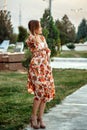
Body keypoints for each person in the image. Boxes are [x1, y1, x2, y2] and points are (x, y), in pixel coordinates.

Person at [26, 20, 55, 129]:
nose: (41, 28)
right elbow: (36, 49)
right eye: (40, 26)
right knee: (39, 92)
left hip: (45, 67)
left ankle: (40, 118)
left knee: (46, 92)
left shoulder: (42, 38)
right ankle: (33, 117)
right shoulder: (31, 38)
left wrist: (48, 66)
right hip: (36, 67)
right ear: (35, 28)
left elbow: (46, 51)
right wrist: (44, 49)